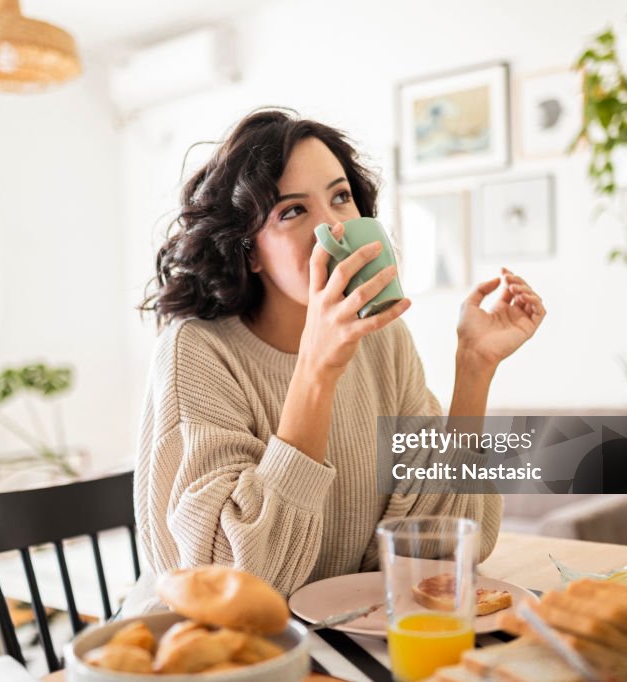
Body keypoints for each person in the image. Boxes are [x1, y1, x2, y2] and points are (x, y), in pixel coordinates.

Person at [126, 108, 545, 614]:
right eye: (292, 211)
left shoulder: (383, 338)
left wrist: (474, 367)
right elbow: (235, 588)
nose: (333, 228)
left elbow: (446, 551)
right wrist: (316, 372)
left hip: (344, 633)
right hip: (212, 650)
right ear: (250, 252)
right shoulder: (195, 351)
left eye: (341, 197)